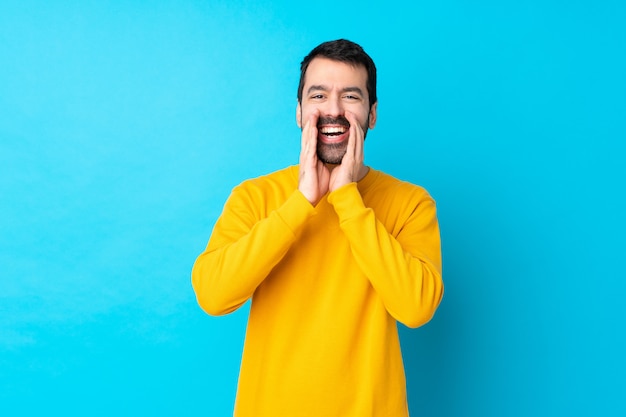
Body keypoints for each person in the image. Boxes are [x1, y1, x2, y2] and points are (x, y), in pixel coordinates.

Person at [192, 39, 444, 417]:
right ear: (299, 111)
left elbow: (417, 307)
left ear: (372, 115)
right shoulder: (255, 197)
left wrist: (346, 199)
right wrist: (300, 203)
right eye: (319, 95)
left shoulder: (410, 204)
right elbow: (213, 295)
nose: (334, 110)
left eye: (351, 97)